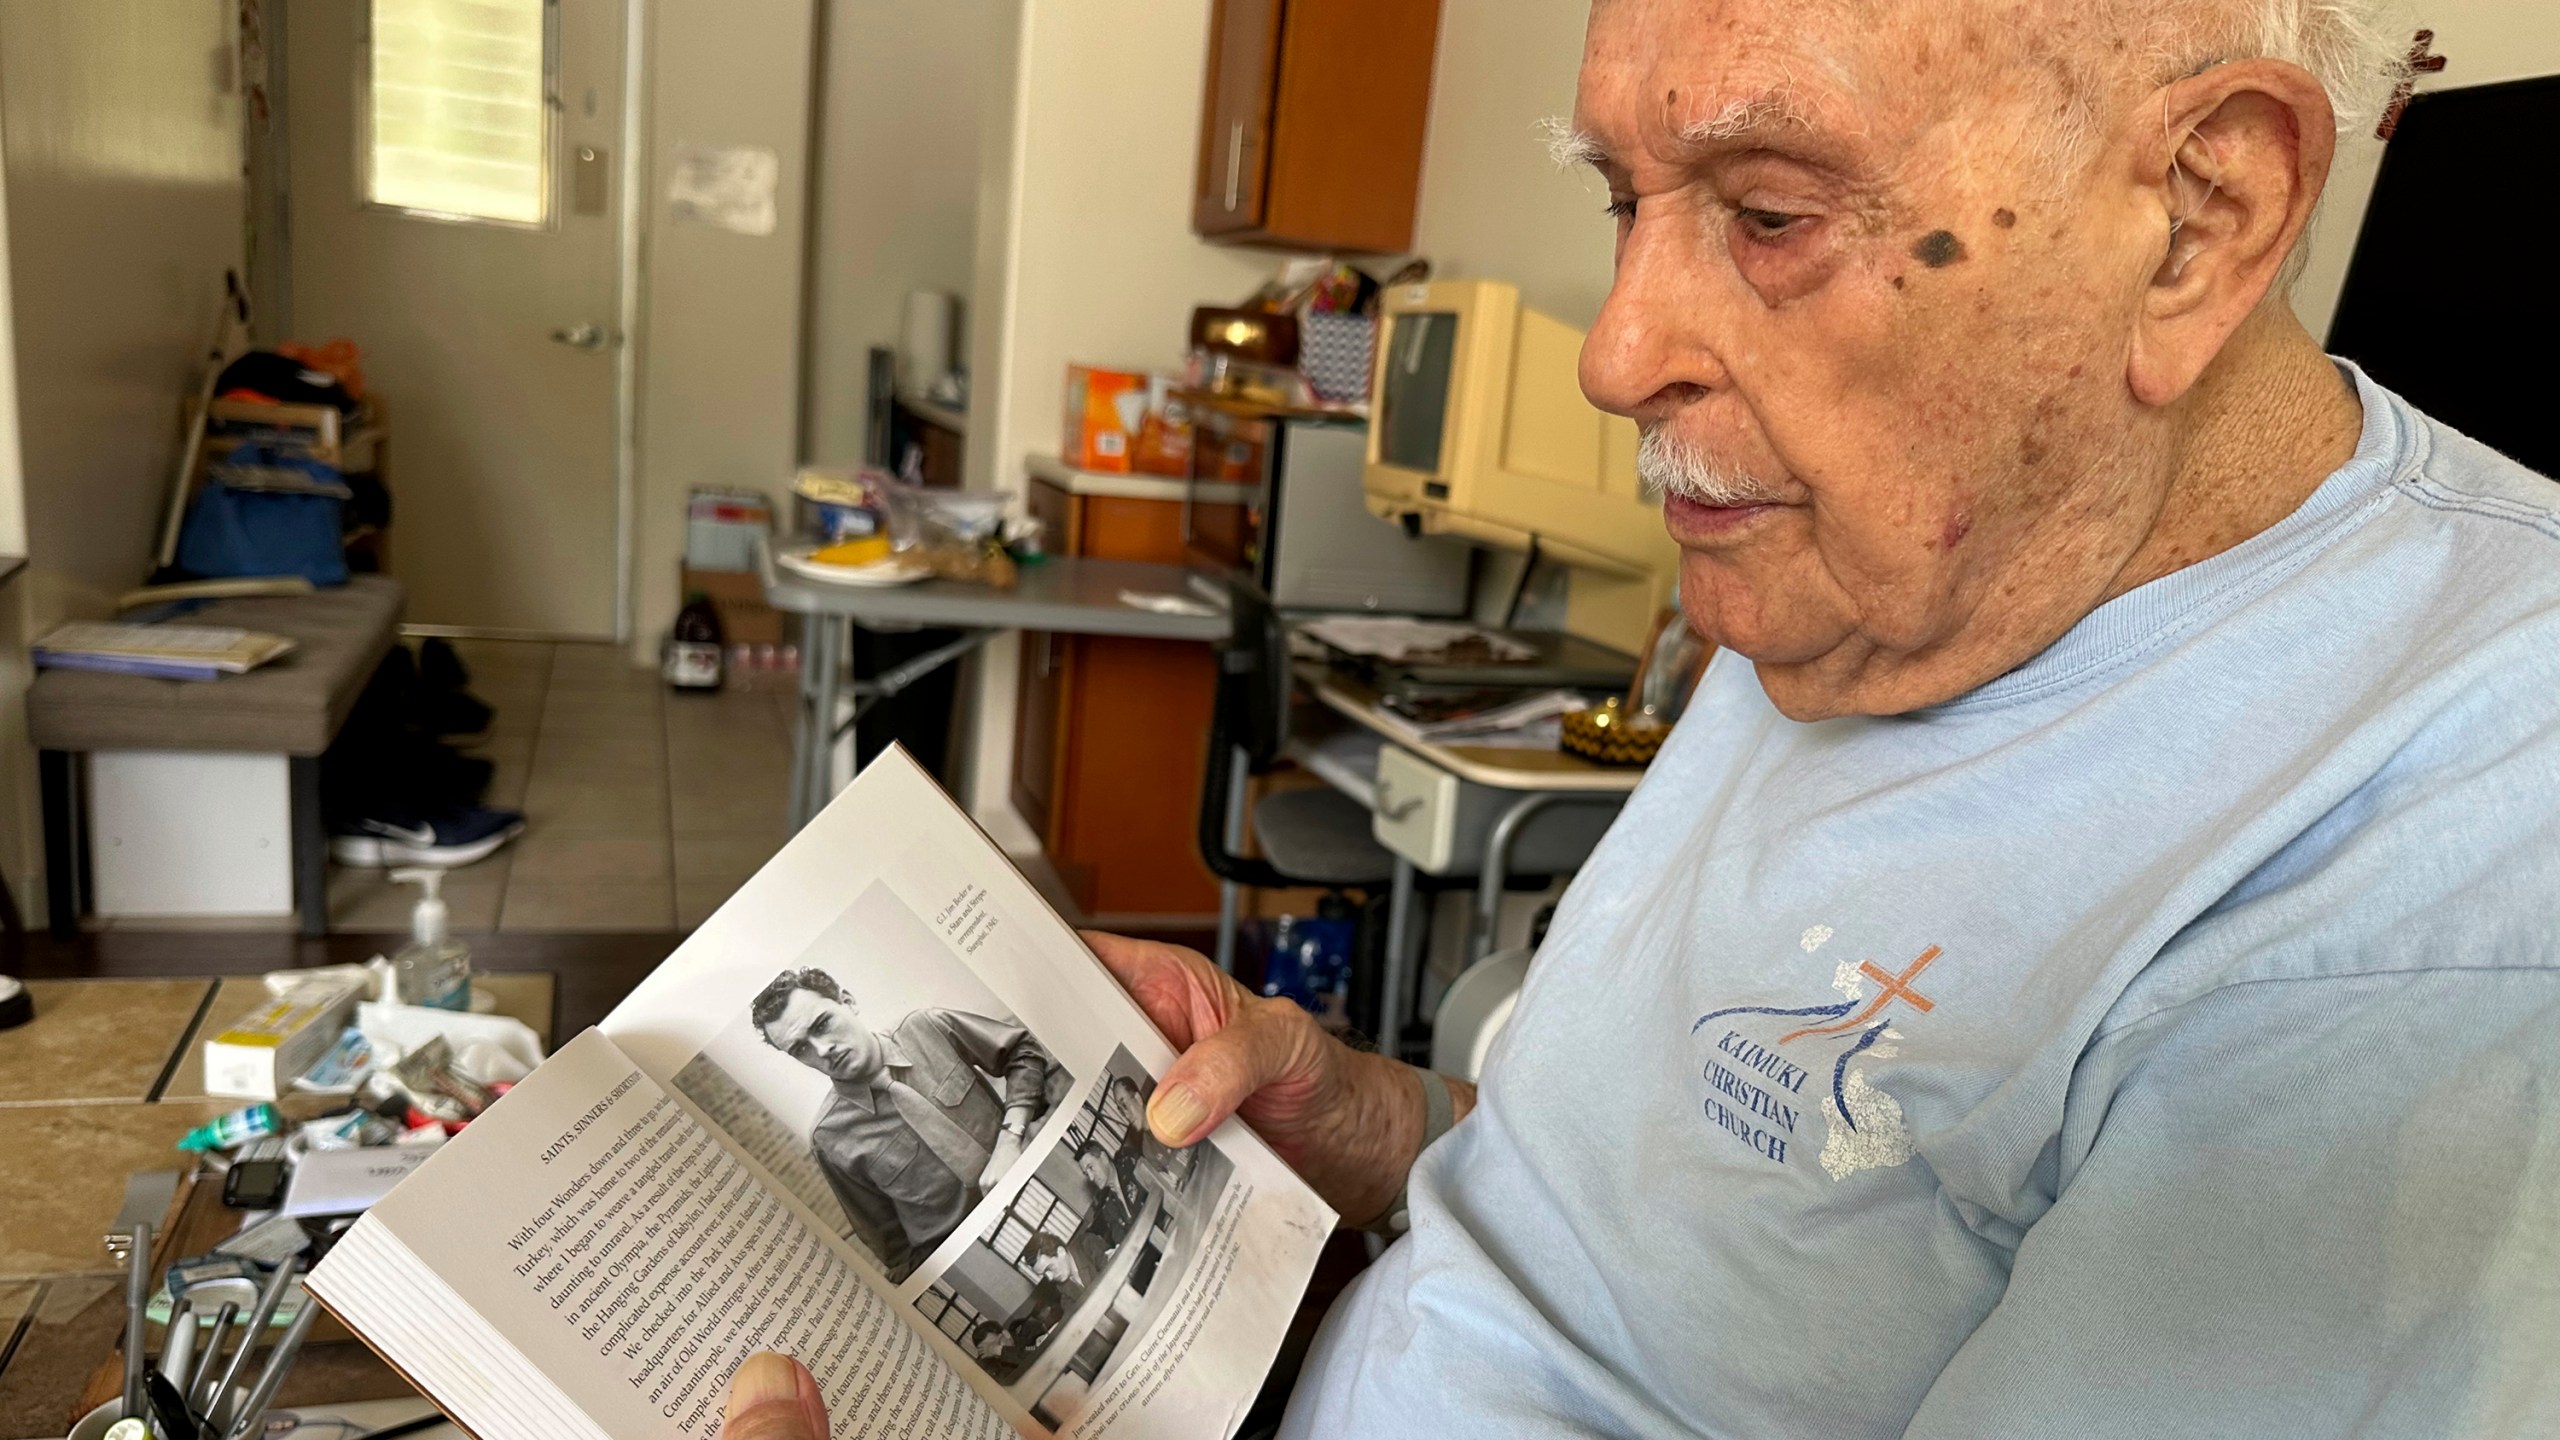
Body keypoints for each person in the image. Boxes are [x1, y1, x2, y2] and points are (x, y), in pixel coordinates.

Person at [725, 0, 2560, 1433]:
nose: (1616, 350)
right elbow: (1661, 1214)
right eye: (1625, 197)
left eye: (1768, 213)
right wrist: (1346, 1114)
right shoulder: (1887, 573)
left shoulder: (2446, 871)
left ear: (2196, 217)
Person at [751, 968, 1060, 1281]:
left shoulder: (924, 1027)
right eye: (800, 1049)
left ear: (847, 1002)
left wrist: (1010, 1138)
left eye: (822, 1024)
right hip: (970, 1257)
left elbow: (1023, 1052)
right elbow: (895, 1252)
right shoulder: (828, 1139)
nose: (822, 1050)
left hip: (1035, 1182)